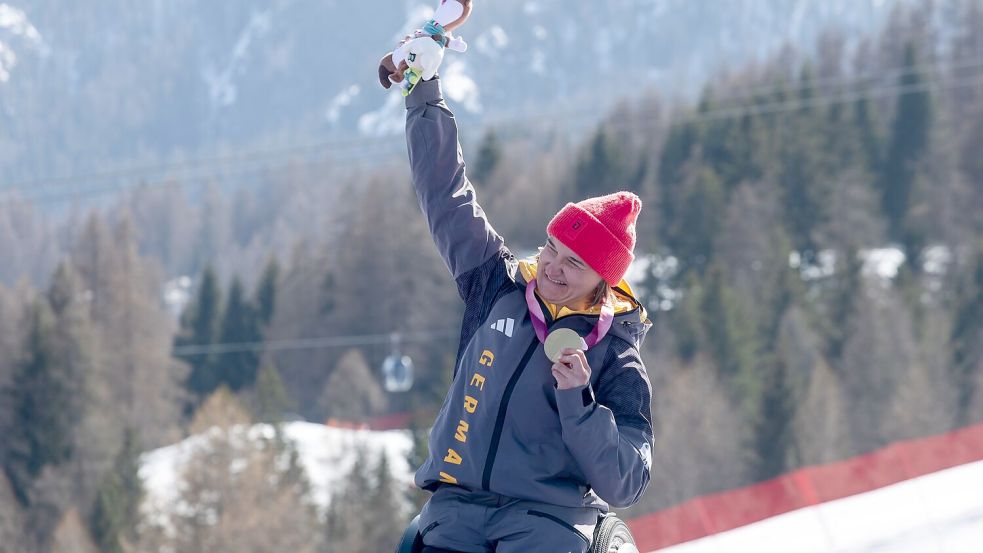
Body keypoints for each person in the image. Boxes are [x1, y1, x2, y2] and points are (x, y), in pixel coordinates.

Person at [404, 75, 653, 553]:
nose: (553, 269)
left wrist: (579, 401)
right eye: (551, 249)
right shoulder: (496, 285)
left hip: (548, 524)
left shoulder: (617, 356)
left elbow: (626, 482)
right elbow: (446, 195)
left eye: (574, 263)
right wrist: (423, 94)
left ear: (605, 282)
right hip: (455, 511)